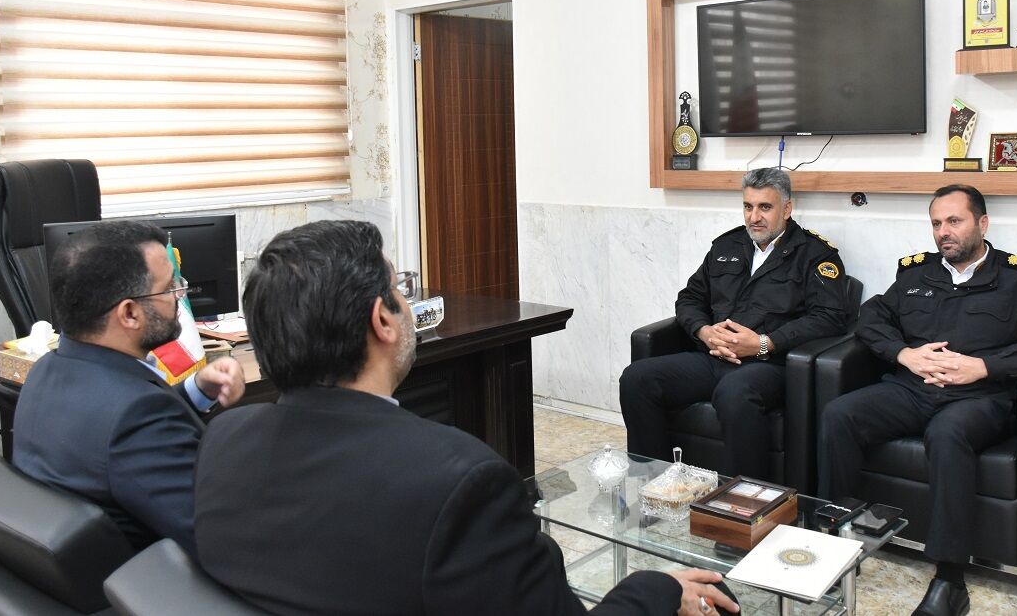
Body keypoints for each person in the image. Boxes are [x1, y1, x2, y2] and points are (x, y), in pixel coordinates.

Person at [195, 220, 739, 616]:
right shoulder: (459, 480)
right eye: (398, 290)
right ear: (382, 321)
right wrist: (659, 590)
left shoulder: (224, 440)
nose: (407, 303)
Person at [818, 185, 1017, 616]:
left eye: (954, 221)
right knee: (840, 414)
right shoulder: (916, 274)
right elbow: (872, 317)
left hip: (979, 398)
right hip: (912, 389)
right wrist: (904, 354)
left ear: (982, 223)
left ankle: (950, 580)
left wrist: (985, 366)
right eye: (937, 223)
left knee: (947, 432)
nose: (944, 232)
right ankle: (838, 542)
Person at [13, 220, 245, 558]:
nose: (179, 295)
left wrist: (196, 389)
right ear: (130, 313)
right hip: (148, 579)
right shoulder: (138, 417)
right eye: (169, 287)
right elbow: (220, 537)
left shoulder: (48, 369)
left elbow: (114, 422)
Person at [620, 168, 849, 480]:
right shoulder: (726, 246)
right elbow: (689, 298)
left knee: (735, 392)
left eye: (765, 207)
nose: (754, 217)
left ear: (786, 209)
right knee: (637, 378)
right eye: (748, 206)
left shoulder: (815, 255)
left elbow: (829, 318)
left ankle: (742, 498)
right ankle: (657, 484)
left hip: (770, 365)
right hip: (713, 357)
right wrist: (704, 331)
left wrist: (765, 343)